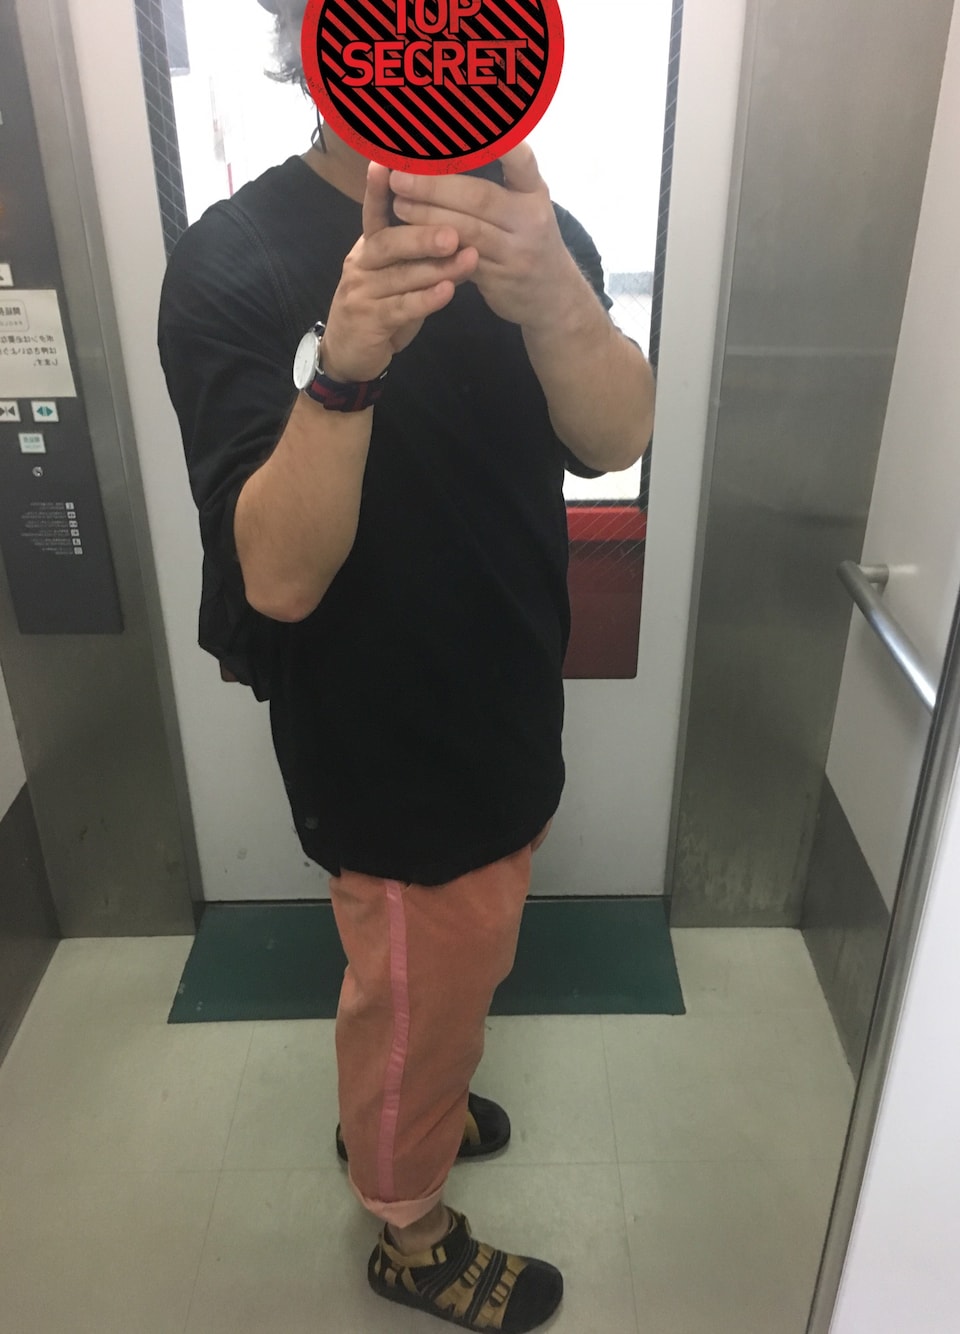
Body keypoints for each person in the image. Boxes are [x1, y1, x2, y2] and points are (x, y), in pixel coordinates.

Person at [158, 2, 655, 1328]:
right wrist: (344, 370)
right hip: (379, 735)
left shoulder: (540, 232)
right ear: (316, 33)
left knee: (446, 975)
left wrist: (555, 300)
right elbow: (276, 575)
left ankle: (411, 1096)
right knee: (419, 986)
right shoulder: (237, 260)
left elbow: (615, 436)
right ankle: (408, 1222)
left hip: (509, 693)